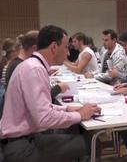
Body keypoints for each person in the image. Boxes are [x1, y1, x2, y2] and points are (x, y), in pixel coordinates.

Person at [0, 25, 101, 162]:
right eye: (66, 47)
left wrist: (67, 108)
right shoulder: (34, 69)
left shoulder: (32, 65)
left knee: (74, 129)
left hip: (20, 140)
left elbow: (40, 107)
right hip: (21, 147)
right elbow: (43, 118)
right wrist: (79, 114)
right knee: (93, 143)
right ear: (54, 47)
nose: (68, 53)